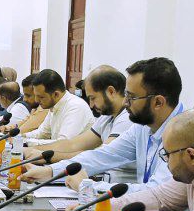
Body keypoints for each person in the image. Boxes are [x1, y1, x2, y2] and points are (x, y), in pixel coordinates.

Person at [23, 57, 184, 194]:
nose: (126, 102)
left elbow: (157, 193)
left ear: (158, 102)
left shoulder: (184, 134)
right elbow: (101, 155)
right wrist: (50, 172)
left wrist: (89, 187)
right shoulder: (142, 127)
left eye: (131, 97)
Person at [22, 65, 134, 177]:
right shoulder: (107, 117)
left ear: (111, 92)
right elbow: (72, 144)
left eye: (93, 98)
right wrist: (33, 151)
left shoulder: (127, 119)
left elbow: (100, 156)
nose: (91, 105)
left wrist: (49, 160)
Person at [22, 69, 92, 146]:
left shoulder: (76, 107)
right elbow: (42, 133)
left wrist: (27, 142)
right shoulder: (54, 105)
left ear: (56, 94)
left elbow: (63, 143)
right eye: (35, 96)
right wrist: (20, 137)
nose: (36, 100)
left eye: (41, 97)